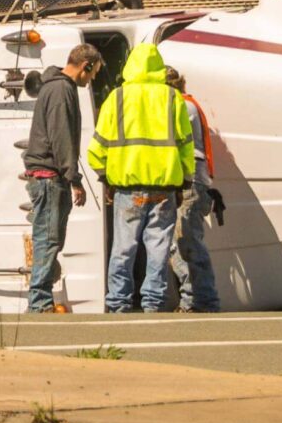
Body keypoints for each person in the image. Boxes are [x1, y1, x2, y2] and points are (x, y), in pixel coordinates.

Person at [86, 41, 206, 313]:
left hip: (127, 189)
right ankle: (152, 303)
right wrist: (185, 178)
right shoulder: (172, 98)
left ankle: (118, 303)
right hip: (164, 188)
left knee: (123, 248)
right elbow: (186, 145)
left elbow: (97, 148)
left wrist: (106, 177)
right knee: (159, 248)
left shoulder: (117, 97)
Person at [20, 43, 101, 313]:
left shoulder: (53, 86)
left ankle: (40, 299)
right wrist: (73, 178)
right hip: (49, 176)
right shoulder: (61, 89)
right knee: (49, 238)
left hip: (46, 175)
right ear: (85, 66)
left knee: (48, 237)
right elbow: (61, 136)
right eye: (93, 74)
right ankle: (39, 301)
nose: (91, 80)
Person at [162, 66, 221, 313]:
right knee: (183, 240)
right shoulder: (187, 104)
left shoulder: (181, 106)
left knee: (186, 241)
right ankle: (195, 299)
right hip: (194, 178)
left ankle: (199, 300)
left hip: (190, 179)